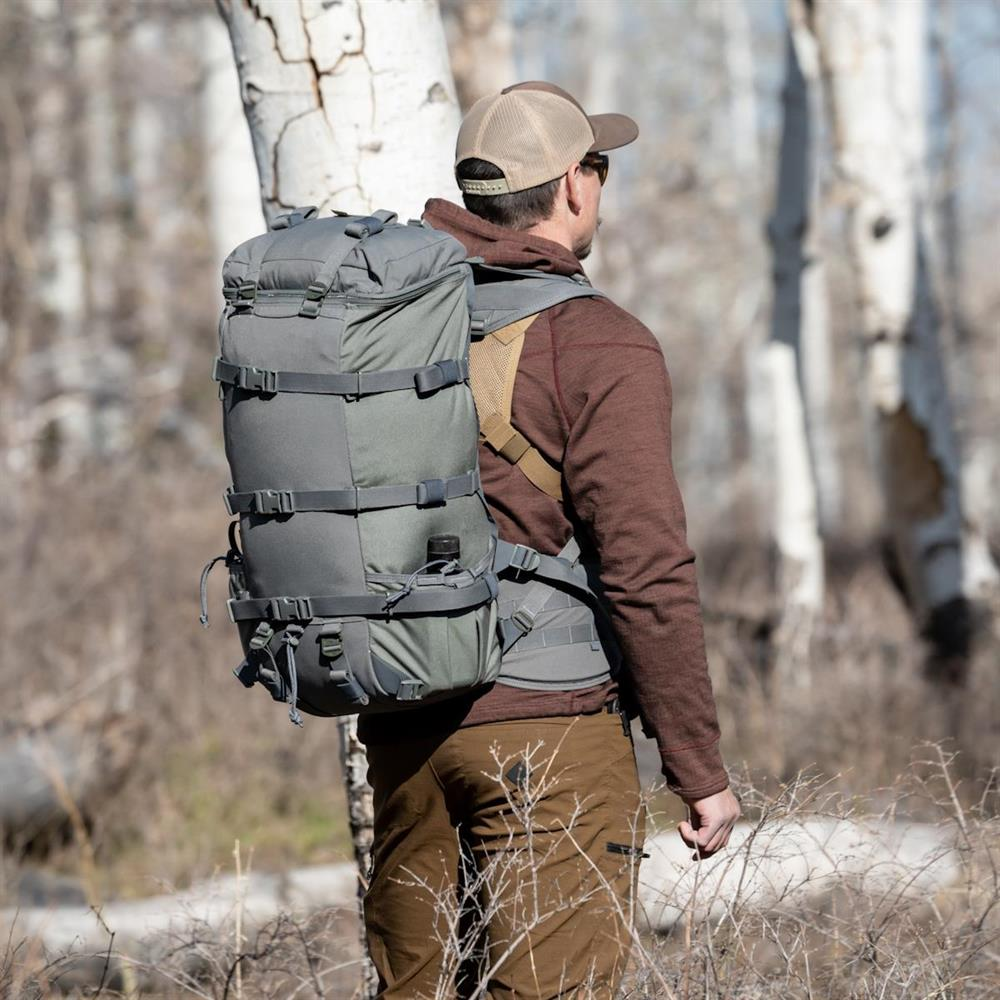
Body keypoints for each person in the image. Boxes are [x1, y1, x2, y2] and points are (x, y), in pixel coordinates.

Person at [359, 81, 741, 1000]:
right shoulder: (599, 342)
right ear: (574, 185)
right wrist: (699, 768)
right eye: (600, 169)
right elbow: (646, 568)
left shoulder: (384, 328)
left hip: (406, 729)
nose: (601, 188)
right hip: (551, 731)